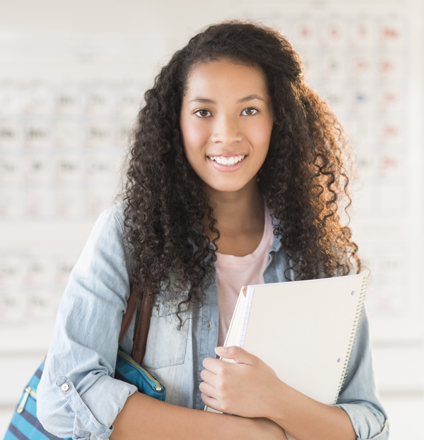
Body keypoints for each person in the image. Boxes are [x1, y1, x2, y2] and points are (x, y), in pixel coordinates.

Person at [36, 20, 389, 440]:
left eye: (250, 110)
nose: (227, 134)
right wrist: (245, 435)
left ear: (280, 120)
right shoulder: (128, 233)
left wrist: (274, 399)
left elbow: (369, 424)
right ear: (177, 123)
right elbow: (65, 397)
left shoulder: (319, 250)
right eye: (204, 112)